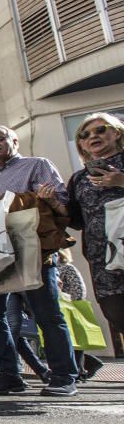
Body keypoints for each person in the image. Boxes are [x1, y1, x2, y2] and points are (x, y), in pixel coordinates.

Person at [0, 125, 77, 396]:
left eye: (0, 139)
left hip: (31, 249)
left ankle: (63, 376)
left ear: (14, 141)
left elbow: (62, 202)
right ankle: (9, 375)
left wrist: (49, 198)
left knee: (46, 313)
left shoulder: (37, 165)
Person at [67, 113, 124, 361]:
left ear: (117, 133)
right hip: (104, 261)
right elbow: (76, 220)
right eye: (85, 135)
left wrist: (122, 181)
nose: (93, 137)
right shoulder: (79, 178)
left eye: (101, 130)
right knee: (117, 313)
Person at [57, 248, 104, 381]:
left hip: (69, 307)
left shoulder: (66, 267)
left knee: (74, 341)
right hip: (65, 307)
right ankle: (83, 367)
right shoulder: (61, 267)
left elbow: (78, 288)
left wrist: (71, 303)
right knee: (72, 341)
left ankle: (80, 369)